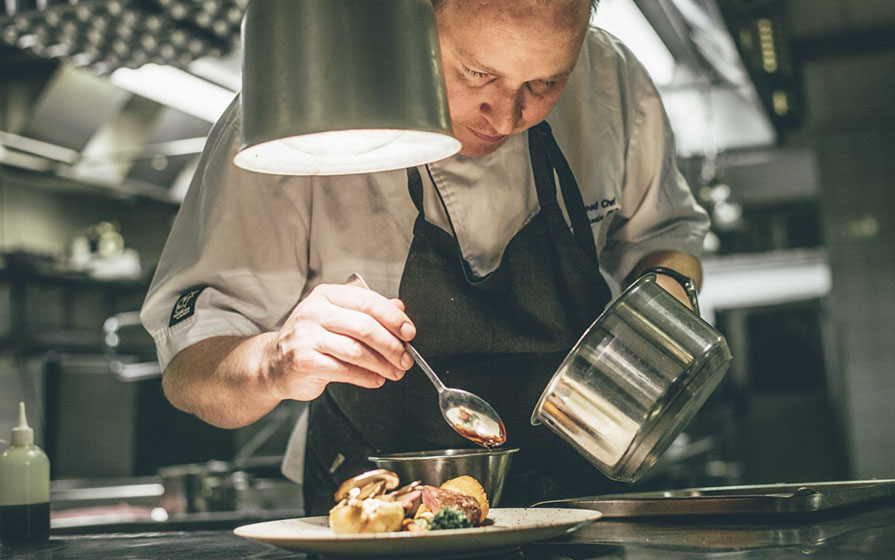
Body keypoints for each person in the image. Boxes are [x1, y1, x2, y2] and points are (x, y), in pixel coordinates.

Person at [140, 0, 709, 513]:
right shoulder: (300, 106)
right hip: (378, 507)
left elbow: (668, 236)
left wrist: (664, 293)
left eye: (545, 83)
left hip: (582, 497)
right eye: (477, 74)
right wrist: (274, 362)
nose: (507, 117)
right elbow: (191, 372)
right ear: (412, 16)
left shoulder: (612, 78)